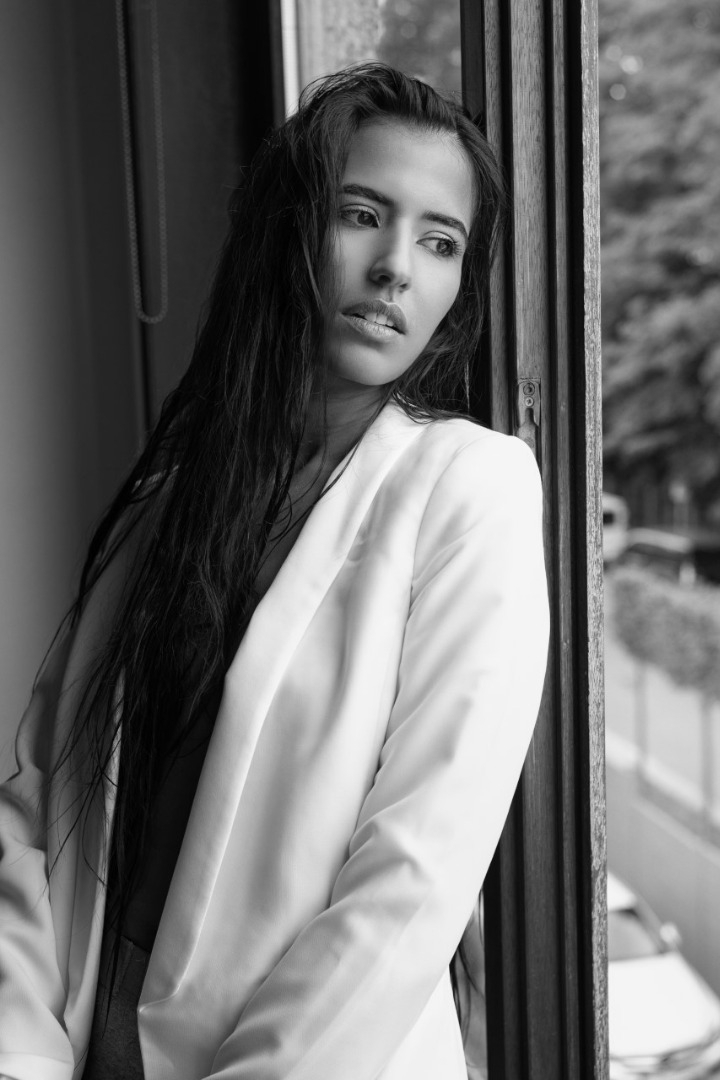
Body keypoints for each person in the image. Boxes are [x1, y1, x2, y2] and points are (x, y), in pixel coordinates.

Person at [0, 63, 548, 1080]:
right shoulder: (167, 507)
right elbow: (35, 817)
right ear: (287, 229)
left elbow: (412, 879)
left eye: (440, 242)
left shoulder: (470, 489)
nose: (395, 268)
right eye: (362, 215)